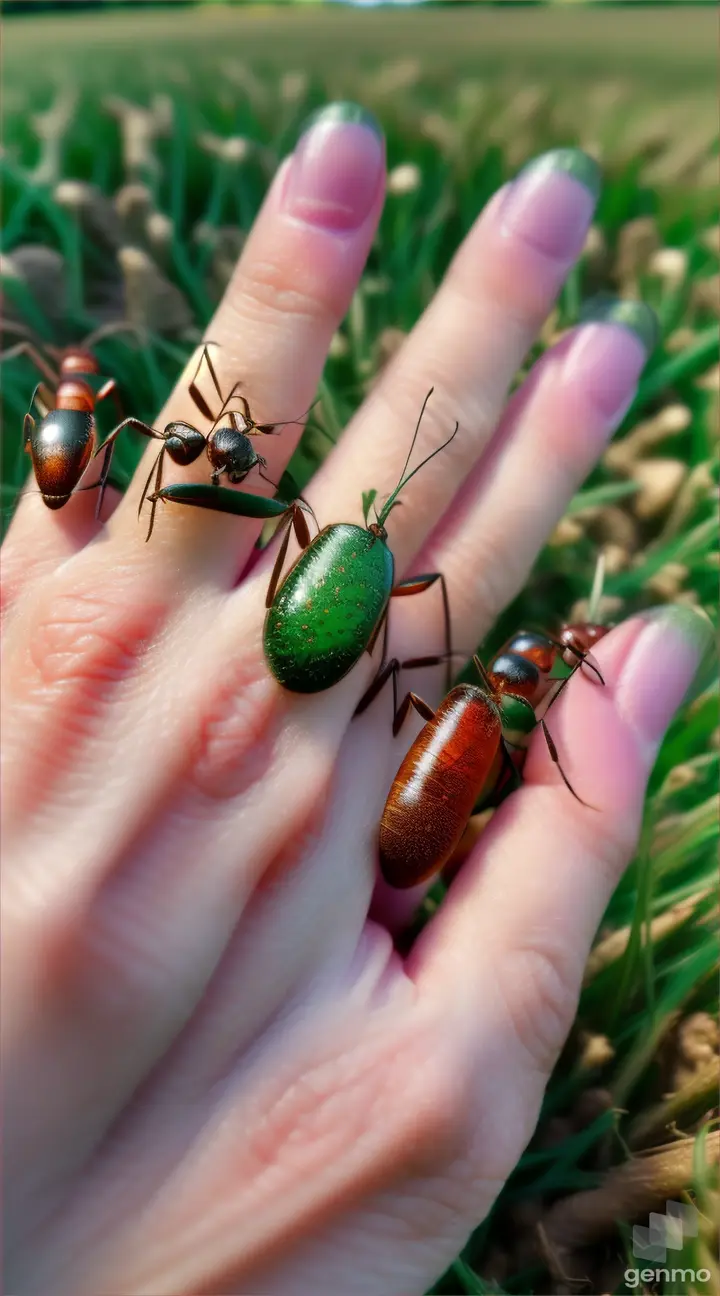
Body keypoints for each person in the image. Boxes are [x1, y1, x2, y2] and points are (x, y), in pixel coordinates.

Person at [2, 102, 711, 1296]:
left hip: (331, 602)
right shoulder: (373, 567)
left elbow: (340, 567)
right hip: (343, 610)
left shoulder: (347, 552)